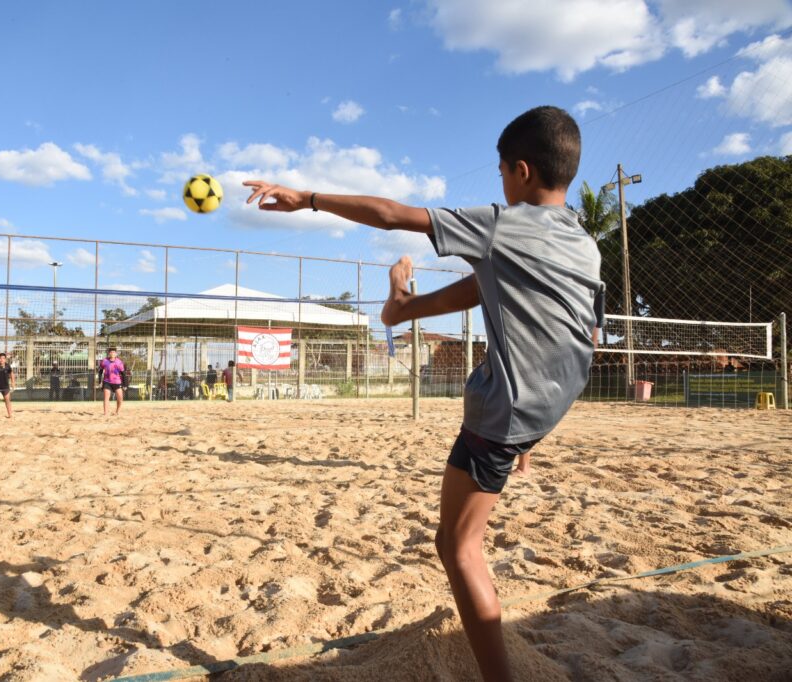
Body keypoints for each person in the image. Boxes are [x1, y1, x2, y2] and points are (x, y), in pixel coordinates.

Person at [244, 106, 604, 682]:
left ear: (521, 170)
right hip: (558, 399)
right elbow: (564, 321)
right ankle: (405, 308)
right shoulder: (585, 245)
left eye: (502, 174)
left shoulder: (504, 223)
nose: (501, 185)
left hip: (507, 412)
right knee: (492, 322)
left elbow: (391, 214)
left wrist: (305, 198)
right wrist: (412, 308)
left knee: (456, 545)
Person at [98, 348, 126, 416]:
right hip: (107, 382)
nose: (112, 353)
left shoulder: (119, 362)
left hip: (117, 382)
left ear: (116, 354)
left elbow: (123, 374)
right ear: (109, 353)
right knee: (106, 397)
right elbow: (100, 371)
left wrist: (125, 385)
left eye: (114, 352)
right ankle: (105, 413)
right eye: (111, 352)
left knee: (120, 398)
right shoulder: (104, 361)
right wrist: (99, 381)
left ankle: (117, 412)